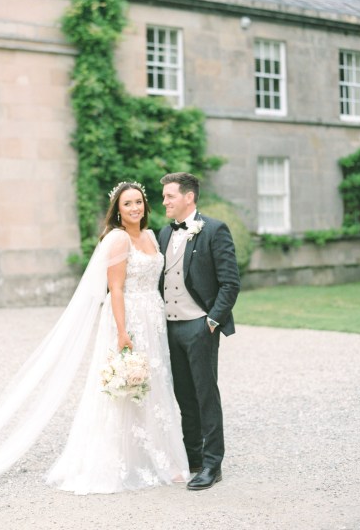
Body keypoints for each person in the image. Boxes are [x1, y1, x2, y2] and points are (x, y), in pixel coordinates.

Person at [0, 182, 189, 509]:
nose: (135, 208)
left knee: (153, 385)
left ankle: (157, 457)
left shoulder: (150, 236)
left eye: (139, 202)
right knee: (124, 388)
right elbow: (115, 289)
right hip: (128, 320)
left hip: (152, 319)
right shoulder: (117, 239)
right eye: (128, 203)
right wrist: (122, 332)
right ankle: (119, 462)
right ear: (118, 209)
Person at [158, 172, 240, 491]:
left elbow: (230, 282)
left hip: (199, 325)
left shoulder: (215, 230)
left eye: (169, 196)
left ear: (188, 197)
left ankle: (212, 464)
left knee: (206, 394)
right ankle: (193, 459)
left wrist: (212, 320)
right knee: (184, 396)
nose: (164, 201)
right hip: (171, 327)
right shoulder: (164, 234)